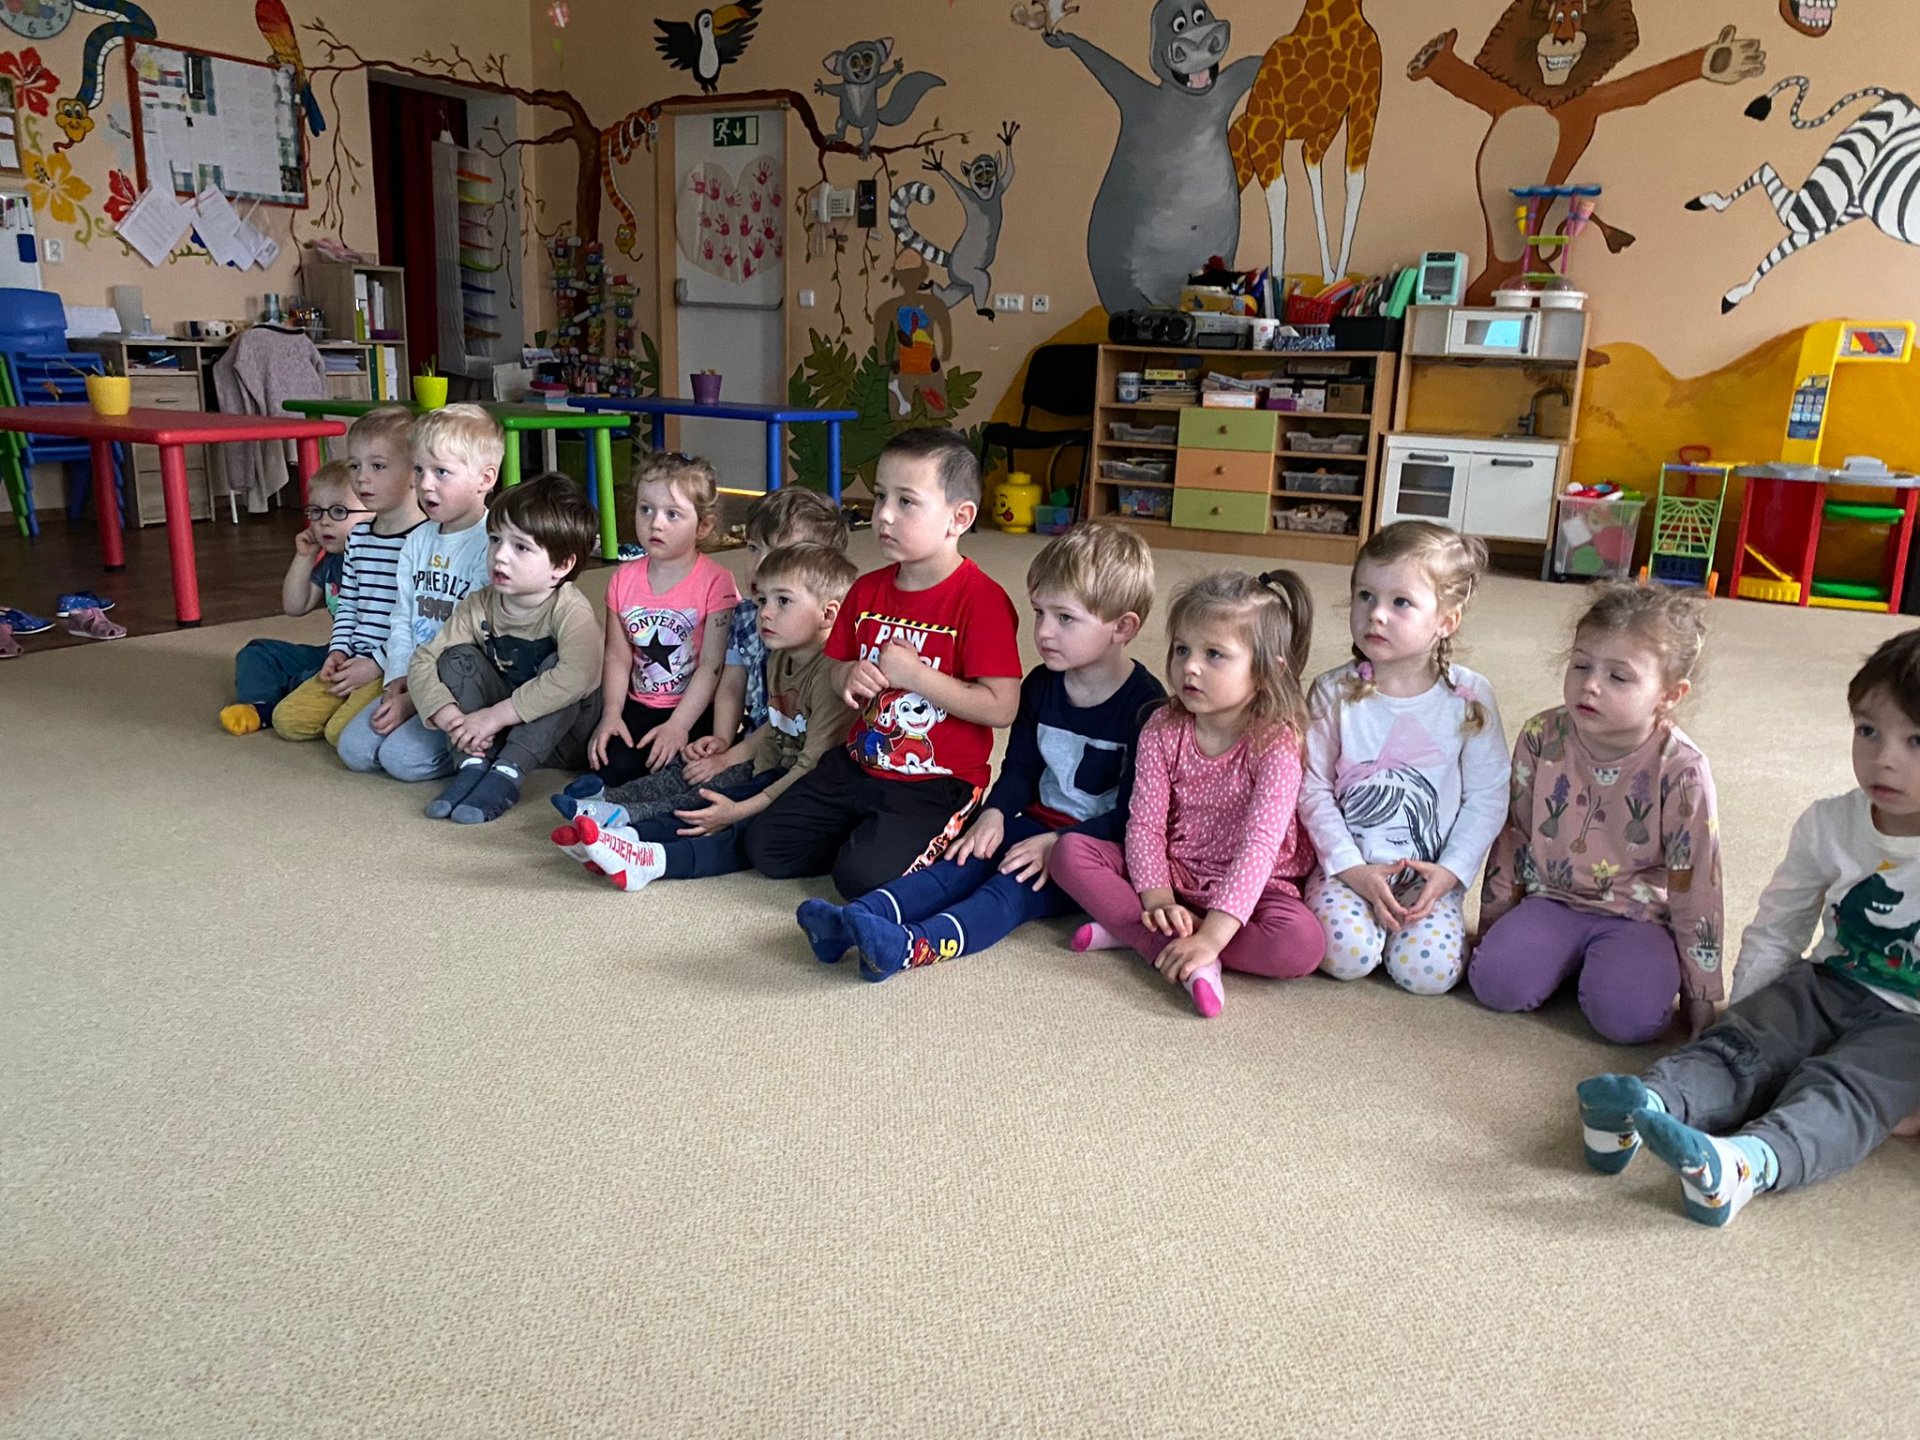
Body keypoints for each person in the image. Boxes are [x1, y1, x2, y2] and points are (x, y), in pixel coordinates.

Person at [1577, 629, 1920, 1226]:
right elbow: (1781, 923)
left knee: (1844, 1091)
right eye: (1868, 731)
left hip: (1910, 1026)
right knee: (1742, 1046)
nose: (1883, 758)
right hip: (1827, 984)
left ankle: (1744, 1165)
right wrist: (1748, 1010)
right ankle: (1644, 1108)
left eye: (1916, 740)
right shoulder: (1829, 823)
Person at [796, 521, 1165, 980]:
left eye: (1065, 618)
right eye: (1040, 613)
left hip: (1092, 853)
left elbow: (1136, 817)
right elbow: (1020, 767)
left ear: (1123, 627)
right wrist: (994, 814)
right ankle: (856, 919)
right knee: (960, 861)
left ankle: (909, 948)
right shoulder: (1041, 685)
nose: (1044, 632)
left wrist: (1057, 844)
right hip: (1032, 823)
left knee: (1004, 893)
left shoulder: (1148, 708)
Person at [741, 428, 1023, 899]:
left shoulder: (982, 601)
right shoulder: (866, 590)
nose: (884, 515)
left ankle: (933, 834)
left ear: (959, 518)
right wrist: (848, 674)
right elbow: (835, 669)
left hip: (936, 781)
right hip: (859, 762)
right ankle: (869, 834)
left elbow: (1002, 706)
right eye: (879, 497)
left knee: (861, 880)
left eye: (906, 501)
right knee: (767, 848)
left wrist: (917, 676)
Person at [1052, 570, 1324, 1019]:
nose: (1190, 667)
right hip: (1171, 872)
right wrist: (1157, 901)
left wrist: (1212, 936)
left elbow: (1259, 847)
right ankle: (1168, 944)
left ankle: (1143, 937)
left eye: (1214, 654)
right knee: (1068, 853)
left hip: (1254, 889)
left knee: (1302, 944)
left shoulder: (1276, 743)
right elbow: (1144, 825)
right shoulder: (1161, 727)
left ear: (1267, 670)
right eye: (1182, 649)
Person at [1468, 581, 1723, 1044]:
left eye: (1618, 677)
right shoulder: (1540, 735)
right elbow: (1515, 836)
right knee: (1494, 984)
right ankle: (1567, 960)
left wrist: (1700, 990)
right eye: (1581, 665)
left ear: (1669, 694)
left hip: (1639, 916)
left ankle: (1613, 967)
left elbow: (1697, 881)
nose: (1590, 685)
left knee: (1630, 1021)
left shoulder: (1682, 768)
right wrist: (1493, 926)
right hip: (1552, 898)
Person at [554, 543, 859, 887]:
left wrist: (743, 803)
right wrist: (747, 778)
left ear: (828, 615)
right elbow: (776, 734)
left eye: (783, 601)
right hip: (782, 773)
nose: (765, 613)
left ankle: (647, 855)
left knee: (731, 822)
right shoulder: (779, 657)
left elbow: (811, 768)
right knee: (707, 786)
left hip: (818, 787)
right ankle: (621, 830)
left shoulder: (829, 675)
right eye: (762, 601)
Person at [554, 483, 848, 828]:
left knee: (714, 786)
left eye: (780, 555)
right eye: (753, 548)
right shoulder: (745, 614)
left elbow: (782, 721)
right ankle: (608, 800)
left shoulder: (819, 637)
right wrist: (721, 740)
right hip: (753, 736)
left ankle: (628, 820)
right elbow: (731, 685)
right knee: (689, 767)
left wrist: (729, 758)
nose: (760, 565)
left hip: (786, 750)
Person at [1301, 521, 1510, 996]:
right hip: (1348, 869)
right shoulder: (1332, 691)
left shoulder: (1470, 696)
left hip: (1429, 877)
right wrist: (1350, 868)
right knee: (1344, 954)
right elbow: (1312, 787)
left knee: (1428, 974)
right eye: (1365, 596)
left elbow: (1488, 796)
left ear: (1446, 621)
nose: (1376, 614)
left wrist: (1450, 873)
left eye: (1401, 602)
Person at [407, 473, 604, 824]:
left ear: (562, 565)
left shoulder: (569, 609)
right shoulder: (479, 604)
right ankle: (471, 763)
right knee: (455, 658)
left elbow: (577, 676)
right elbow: (425, 658)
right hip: (497, 731)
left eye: (521, 547)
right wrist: (449, 716)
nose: (500, 556)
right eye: (495, 539)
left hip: (564, 737)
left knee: (562, 670)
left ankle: (508, 774)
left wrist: (495, 716)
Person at [337, 403, 503, 782]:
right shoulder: (417, 539)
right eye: (419, 469)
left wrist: (416, 700)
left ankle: (489, 740)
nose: (425, 484)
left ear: (485, 478)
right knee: (355, 750)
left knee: (401, 760)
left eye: (441, 472)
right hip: (415, 676)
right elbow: (402, 618)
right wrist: (397, 678)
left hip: (462, 686)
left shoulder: (492, 544)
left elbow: (477, 641)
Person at [578, 452, 739, 790]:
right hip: (639, 703)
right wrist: (611, 714)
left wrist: (679, 725)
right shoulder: (622, 580)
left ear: (703, 526)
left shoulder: (717, 581)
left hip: (696, 707)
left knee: (688, 772)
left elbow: (712, 666)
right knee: (608, 765)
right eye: (645, 509)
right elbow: (617, 657)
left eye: (672, 514)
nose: (655, 523)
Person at [268, 407, 424, 745]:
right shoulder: (358, 537)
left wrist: (376, 665)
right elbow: (348, 605)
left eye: (377, 466)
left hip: (397, 664)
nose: (362, 478)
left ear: (415, 473)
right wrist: (337, 652)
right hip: (354, 655)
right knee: (288, 720)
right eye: (355, 466)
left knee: (340, 733)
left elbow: (421, 622)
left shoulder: (425, 539)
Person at [219, 460, 369, 734]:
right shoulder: (333, 561)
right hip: (335, 653)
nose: (324, 521)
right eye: (316, 511)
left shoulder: (383, 560)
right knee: (258, 653)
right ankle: (261, 706)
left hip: (370, 662)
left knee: (313, 678)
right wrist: (305, 556)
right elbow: (295, 606)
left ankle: (301, 693)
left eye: (339, 511)